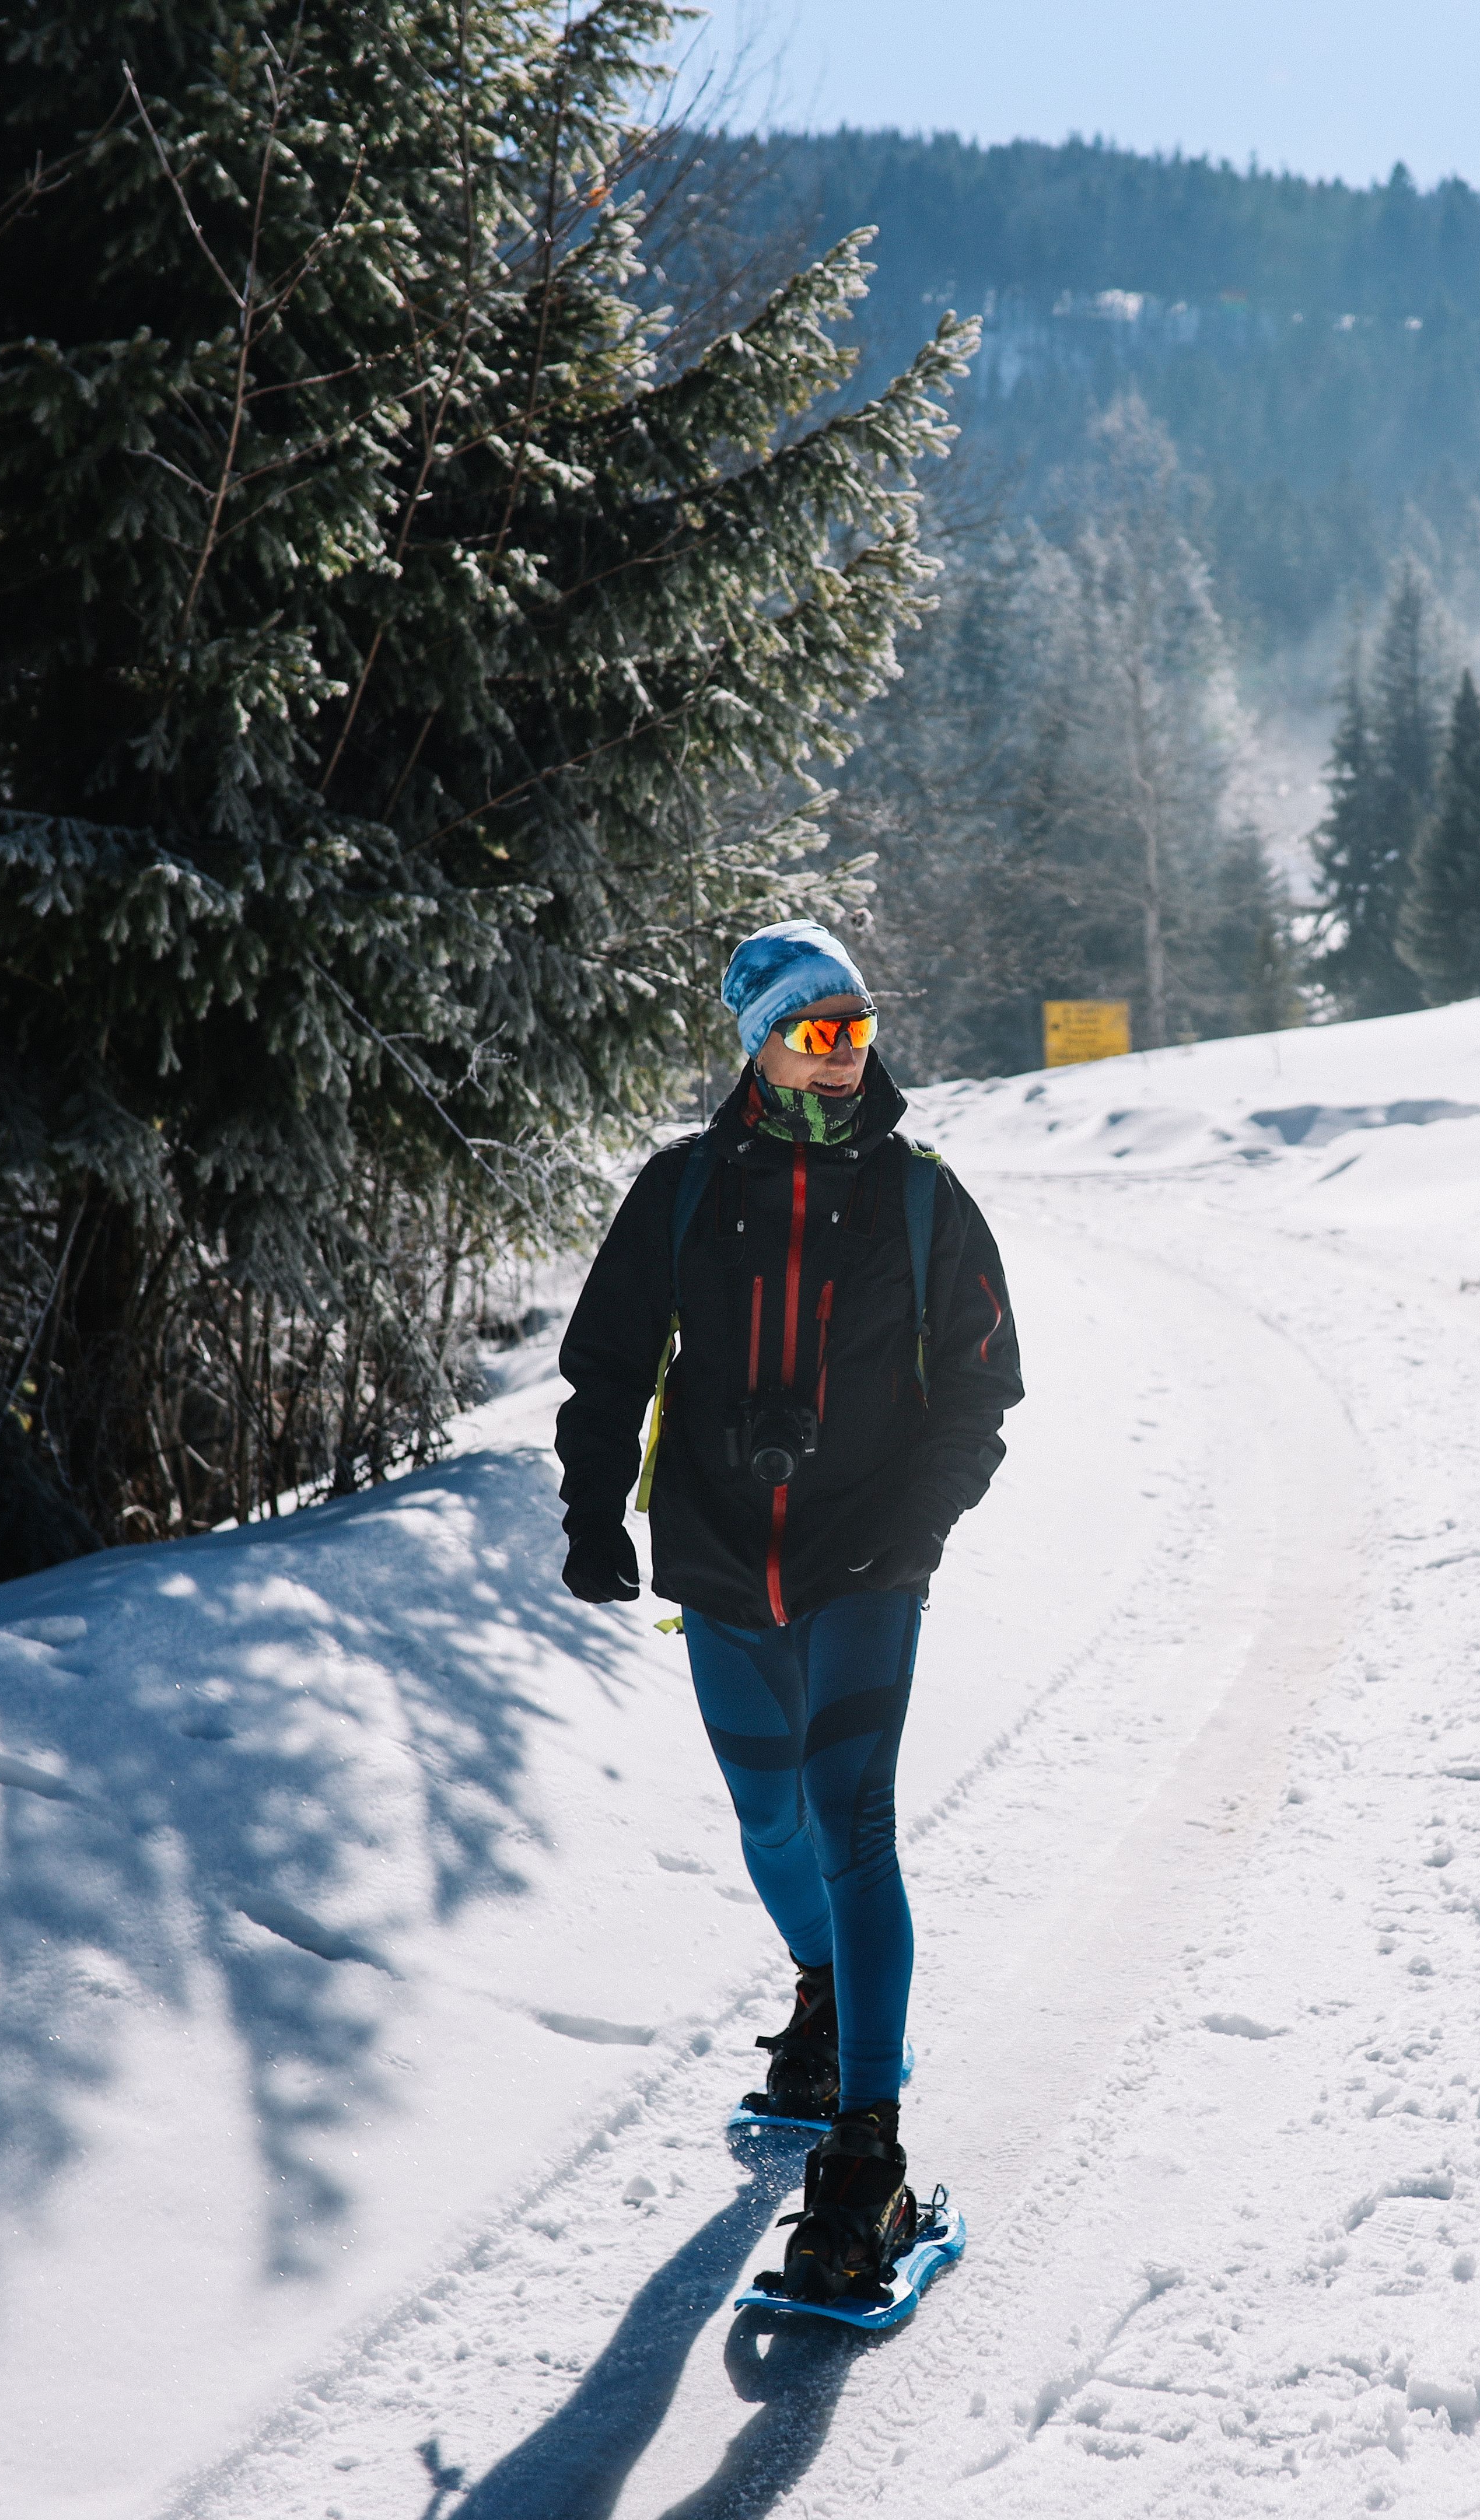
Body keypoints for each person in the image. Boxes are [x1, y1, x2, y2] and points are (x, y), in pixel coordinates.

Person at [555, 919, 1021, 2305]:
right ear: (753, 1039)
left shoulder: (924, 1198)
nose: (842, 1055)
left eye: (858, 1028)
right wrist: (591, 1509)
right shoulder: (684, 1190)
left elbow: (986, 1391)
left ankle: (867, 2149)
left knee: (852, 1819)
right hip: (715, 1559)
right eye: (814, 1030)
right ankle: (824, 1994)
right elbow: (607, 1364)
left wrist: (913, 1524)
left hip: (867, 1561)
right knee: (769, 1821)